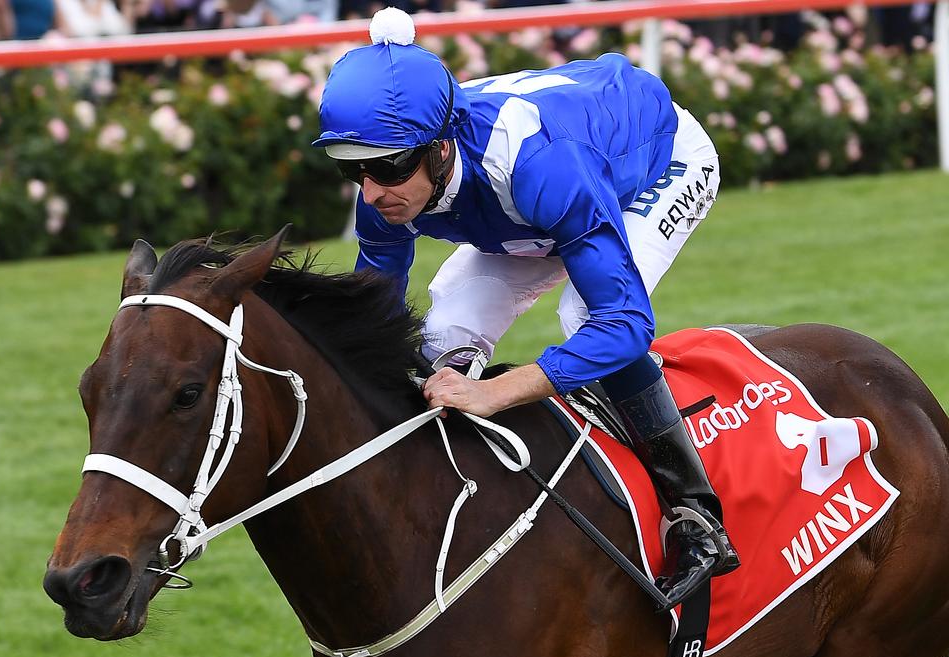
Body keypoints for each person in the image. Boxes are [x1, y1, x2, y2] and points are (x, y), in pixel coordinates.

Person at [313, 8, 738, 610]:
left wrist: (500, 389)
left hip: (651, 166)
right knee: (444, 338)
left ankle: (696, 513)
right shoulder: (386, 190)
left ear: (439, 149)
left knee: (582, 318)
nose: (373, 191)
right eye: (353, 169)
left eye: (387, 167)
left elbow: (625, 324)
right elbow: (369, 322)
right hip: (533, 210)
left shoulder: (536, 167)